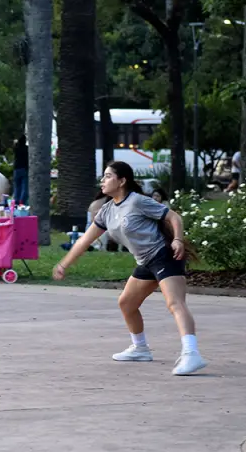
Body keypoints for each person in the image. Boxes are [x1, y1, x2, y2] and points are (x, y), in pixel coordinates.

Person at [54, 161, 206, 376]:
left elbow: (174, 217)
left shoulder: (137, 201)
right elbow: (84, 241)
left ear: (122, 181)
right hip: (145, 262)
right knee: (126, 303)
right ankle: (140, 348)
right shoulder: (106, 211)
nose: (102, 180)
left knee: (175, 303)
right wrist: (64, 264)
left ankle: (192, 354)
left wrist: (178, 240)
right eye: (103, 176)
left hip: (164, 256)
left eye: (108, 176)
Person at [13, 134, 29, 205]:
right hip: (24, 169)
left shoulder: (16, 148)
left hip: (16, 169)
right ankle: (22, 202)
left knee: (17, 187)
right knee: (24, 187)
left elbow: (14, 143)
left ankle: (16, 201)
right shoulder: (26, 149)